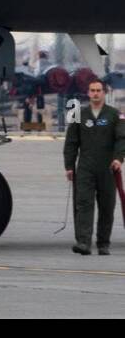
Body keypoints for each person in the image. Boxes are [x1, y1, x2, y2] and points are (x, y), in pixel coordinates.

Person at [63, 79, 125, 255]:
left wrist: (119, 159)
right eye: (92, 90)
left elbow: (122, 139)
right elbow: (71, 142)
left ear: (104, 93)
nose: (96, 93)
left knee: (107, 206)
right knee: (84, 204)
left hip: (108, 168)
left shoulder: (114, 115)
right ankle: (83, 242)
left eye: (99, 90)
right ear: (88, 93)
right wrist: (69, 166)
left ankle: (103, 243)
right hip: (85, 168)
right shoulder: (79, 115)